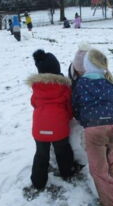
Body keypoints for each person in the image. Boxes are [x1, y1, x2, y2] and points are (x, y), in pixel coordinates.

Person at [72, 48, 113, 206]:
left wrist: (82, 119)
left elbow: (76, 106)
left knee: (98, 169)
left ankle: (110, 204)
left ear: (86, 66)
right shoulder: (109, 82)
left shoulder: (81, 83)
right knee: (111, 159)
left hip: (95, 129)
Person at [27, 49, 75, 190]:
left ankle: (38, 182)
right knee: (63, 151)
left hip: (39, 130)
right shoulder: (64, 88)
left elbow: (33, 103)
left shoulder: (36, 87)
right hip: (59, 128)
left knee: (41, 155)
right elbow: (69, 109)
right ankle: (67, 172)